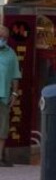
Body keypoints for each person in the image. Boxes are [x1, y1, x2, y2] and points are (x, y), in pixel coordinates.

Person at [0, 26, 21, 167]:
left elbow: (15, 76)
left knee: (2, 129)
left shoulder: (11, 53)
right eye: (0, 36)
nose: (2, 39)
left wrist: (14, 93)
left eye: (5, 37)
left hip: (4, 96)